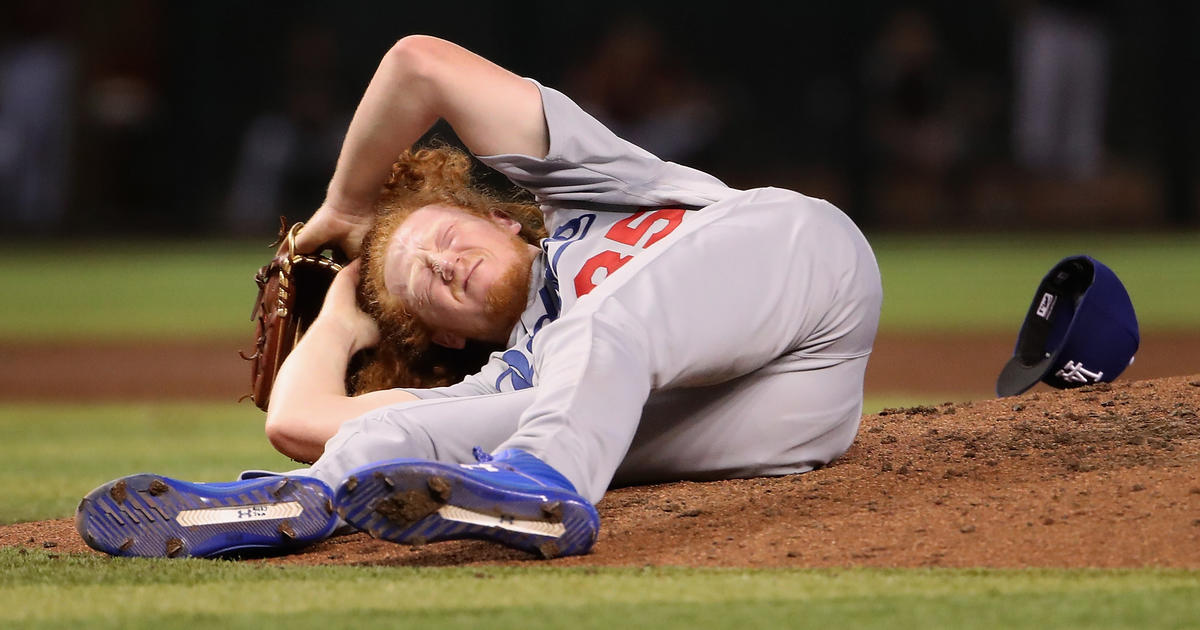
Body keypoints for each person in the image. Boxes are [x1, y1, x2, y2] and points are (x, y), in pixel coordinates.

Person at [75, 35, 882, 560]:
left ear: (504, 218)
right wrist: (342, 318)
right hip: (775, 421)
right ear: (450, 338)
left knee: (599, 330)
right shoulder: (512, 372)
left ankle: (544, 485)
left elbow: (419, 65)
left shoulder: (594, 194)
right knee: (425, 425)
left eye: (447, 237)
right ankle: (287, 506)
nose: (441, 262)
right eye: (424, 282)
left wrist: (350, 209)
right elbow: (295, 420)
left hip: (807, 279)